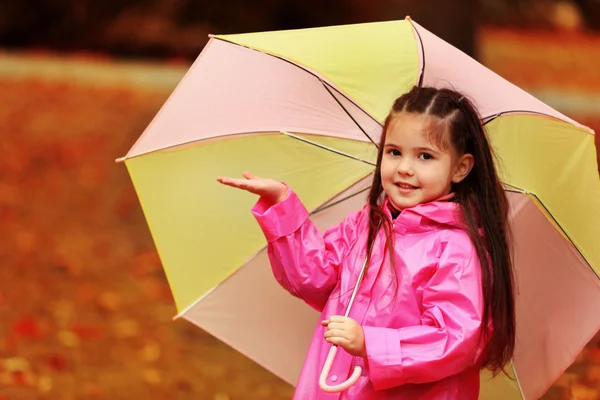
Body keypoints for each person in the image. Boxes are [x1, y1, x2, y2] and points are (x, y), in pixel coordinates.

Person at [217, 86, 516, 399]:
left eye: (425, 156)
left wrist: (370, 344)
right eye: (394, 152)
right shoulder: (367, 224)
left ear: (460, 168)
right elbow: (314, 278)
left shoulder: (455, 249)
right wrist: (282, 205)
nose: (404, 168)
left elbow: (454, 339)